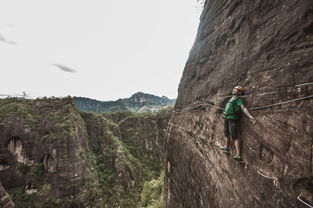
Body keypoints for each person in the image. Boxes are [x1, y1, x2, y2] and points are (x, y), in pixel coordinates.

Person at [219, 86, 256, 161]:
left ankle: (238, 154)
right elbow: (228, 108)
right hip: (227, 118)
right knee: (226, 133)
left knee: (234, 136)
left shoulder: (239, 100)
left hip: (232, 119)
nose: (234, 90)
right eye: (234, 89)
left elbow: (243, 108)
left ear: (240, 93)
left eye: (237, 90)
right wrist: (224, 113)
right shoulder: (232, 98)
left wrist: (250, 116)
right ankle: (226, 147)